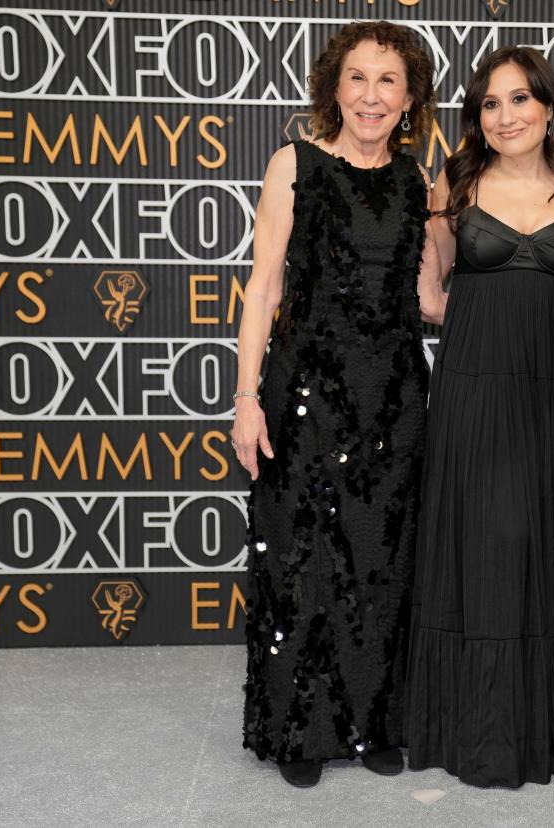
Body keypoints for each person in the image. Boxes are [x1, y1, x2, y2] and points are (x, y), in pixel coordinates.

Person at [229, 20, 444, 789]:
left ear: (411, 97)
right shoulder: (295, 164)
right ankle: (301, 730)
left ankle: (375, 721)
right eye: (358, 78)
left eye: (389, 81)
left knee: (382, 559)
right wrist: (245, 398)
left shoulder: (419, 180)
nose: (372, 96)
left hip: (392, 396)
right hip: (303, 391)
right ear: (335, 88)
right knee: (302, 561)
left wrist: (529, 286)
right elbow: (263, 287)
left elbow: (426, 299)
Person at [404, 46, 554, 788]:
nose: (506, 116)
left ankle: (553, 722)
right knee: (483, 541)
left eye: (520, 99)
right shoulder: (455, 184)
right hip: (475, 384)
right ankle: (480, 726)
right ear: (476, 117)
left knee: (552, 537)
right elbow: (430, 295)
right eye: (490, 104)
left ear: (550, 107)